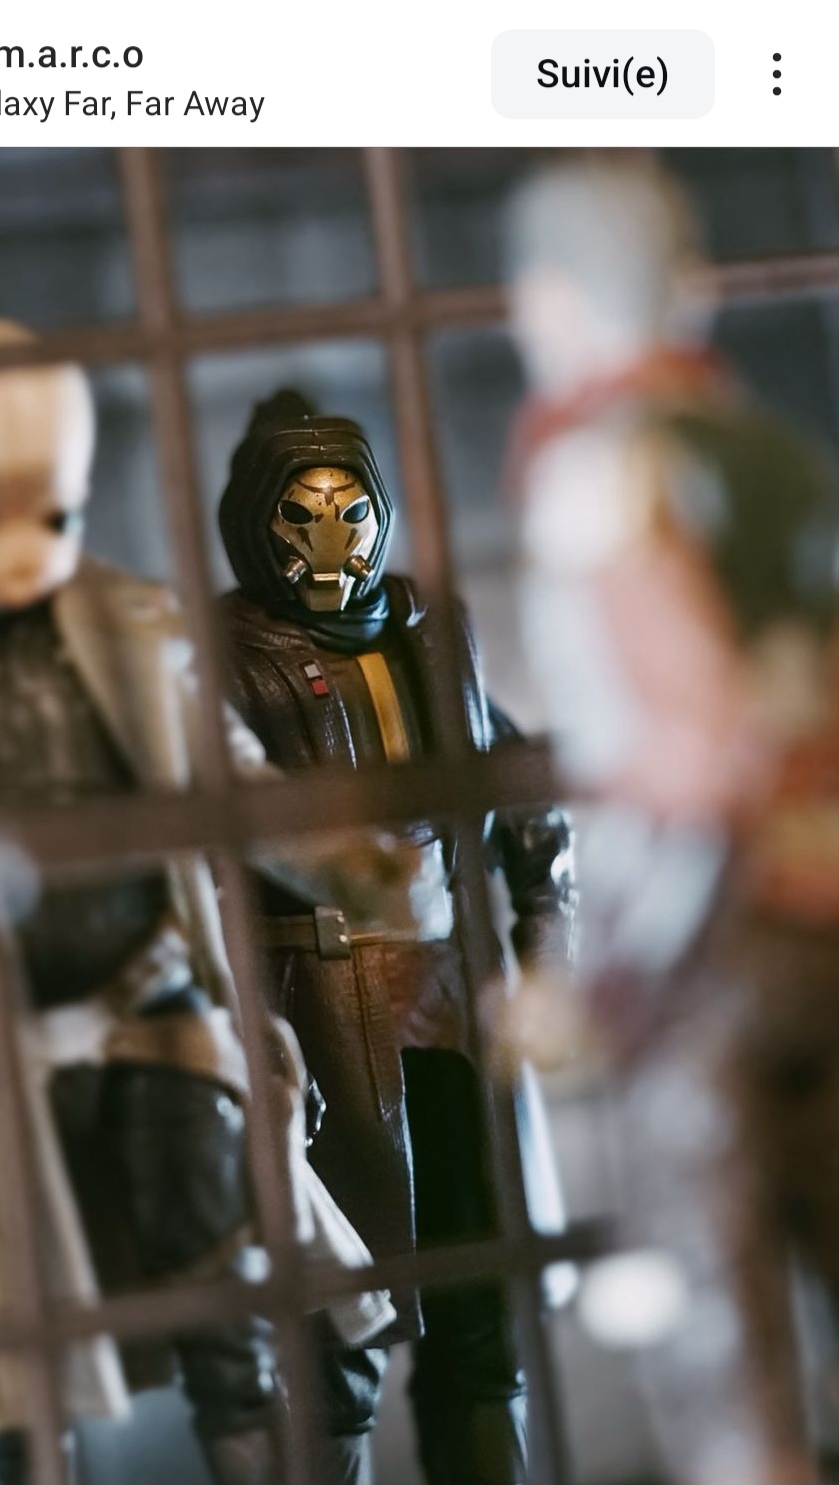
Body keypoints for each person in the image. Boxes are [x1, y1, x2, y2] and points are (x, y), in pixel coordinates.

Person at [0, 321, 401, 1485]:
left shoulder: (136, 627)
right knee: (6, 1357)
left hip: (148, 1003)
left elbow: (237, 784)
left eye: (55, 521)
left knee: (232, 1296)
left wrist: (353, 861)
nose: (21, 558)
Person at [504, 158, 839, 1485]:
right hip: (823, 907)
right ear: (694, 291)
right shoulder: (782, 455)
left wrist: (599, 970)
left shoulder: (597, 470)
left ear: (547, 302)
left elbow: (688, 744)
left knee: (725, 1355)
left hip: (710, 934)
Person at [217, 390, 575, 1485]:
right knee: (339, 1324)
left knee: (481, 1300)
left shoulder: (430, 636)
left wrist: (547, 943)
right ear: (256, 524)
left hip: (455, 1000)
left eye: (349, 511)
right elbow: (207, 852)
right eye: (301, 515)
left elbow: (522, 793)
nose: (331, 543)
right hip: (319, 1014)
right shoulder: (226, 662)